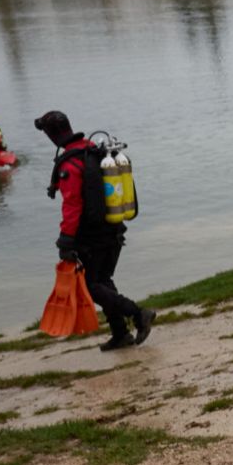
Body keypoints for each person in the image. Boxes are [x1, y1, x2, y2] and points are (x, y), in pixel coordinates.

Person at [37, 111, 154, 350]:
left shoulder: (71, 163)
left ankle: (137, 313)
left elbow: (72, 205)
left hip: (92, 236)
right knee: (103, 281)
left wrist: (66, 241)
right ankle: (120, 334)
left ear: (51, 135)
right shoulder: (93, 150)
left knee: (91, 286)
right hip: (114, 226)